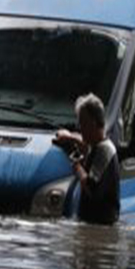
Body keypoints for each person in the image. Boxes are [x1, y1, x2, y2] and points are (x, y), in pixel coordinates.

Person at [54, 94, 120, 225]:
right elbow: (84, 144)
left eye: (82, 122)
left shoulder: (104, 150)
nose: (80, 127)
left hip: (100, 226)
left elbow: (91, 187)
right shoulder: (98, 146)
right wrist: (69, 138)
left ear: (93, 123)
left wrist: (77, 167)